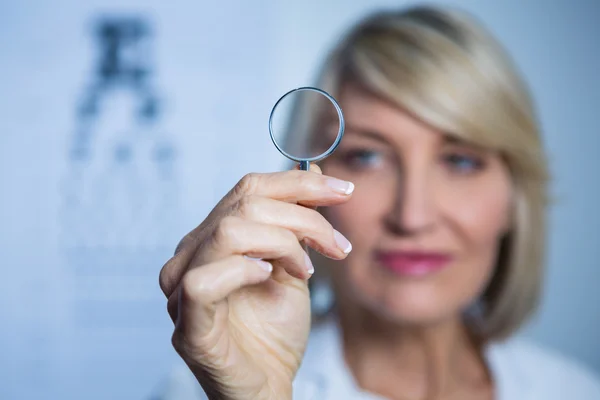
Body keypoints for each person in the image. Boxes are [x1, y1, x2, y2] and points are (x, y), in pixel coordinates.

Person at [156, 5, 600, 400]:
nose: (413, 216)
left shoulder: (574, 390)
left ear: (513, 200)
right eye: (367, 157)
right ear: (306, 187)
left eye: (461, 161)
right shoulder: (205, 392)